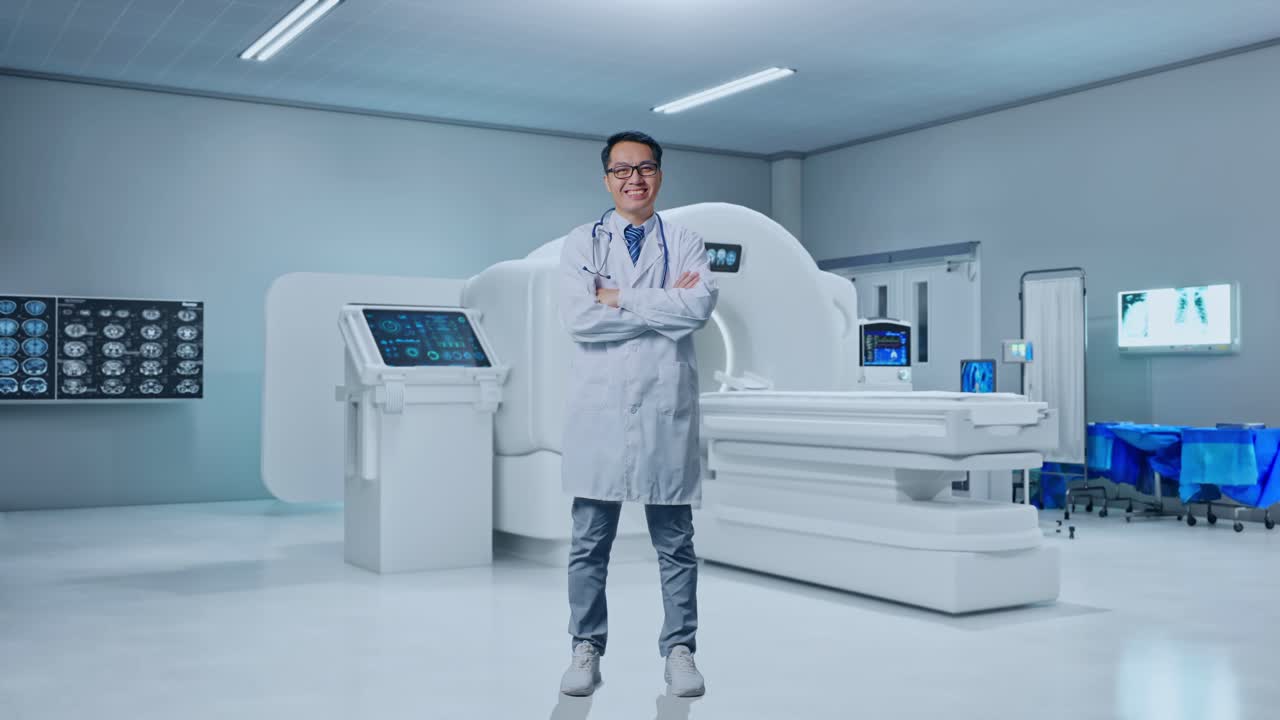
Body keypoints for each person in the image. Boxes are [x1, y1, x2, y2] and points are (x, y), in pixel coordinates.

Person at [556, 131, 718, 698]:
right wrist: (659, 305)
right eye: (622, 170)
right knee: (588, 541)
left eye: (645, 168)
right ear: (607, 179)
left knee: (675, 542)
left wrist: (617, 296)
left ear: (659, 176)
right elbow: (579, 320)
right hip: (600, 413)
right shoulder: (582, 242)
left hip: (663, 409)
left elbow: (696, 309)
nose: (634, 179)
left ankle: (680, 649)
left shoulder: (686, 240)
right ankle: (587, 648)